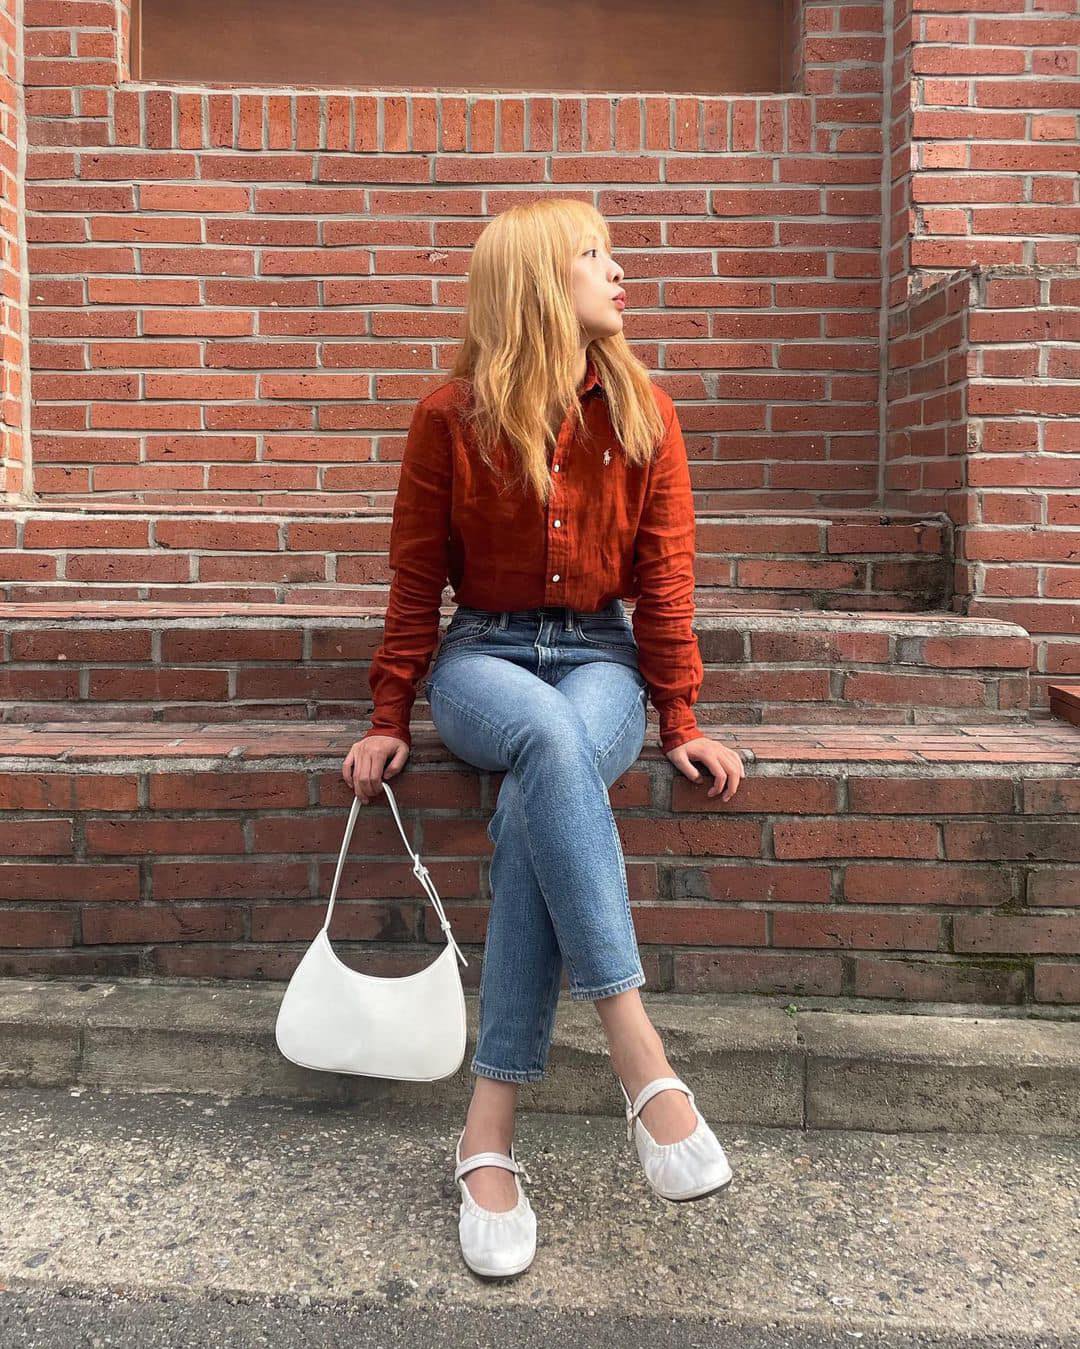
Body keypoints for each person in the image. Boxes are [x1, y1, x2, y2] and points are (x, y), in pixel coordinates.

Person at [342, 198, 745, 1279]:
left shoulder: (646, 412)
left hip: (601, 657)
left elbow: (665, 581)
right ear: (535, 281)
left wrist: (680, 715)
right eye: (594, 254)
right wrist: (390, 713)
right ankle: (638, 1052)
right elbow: (416, 579)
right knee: (547, 741)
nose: (620, 271)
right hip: (483, 656)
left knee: (548, 768)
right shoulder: (449, 418)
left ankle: (488, 1132)